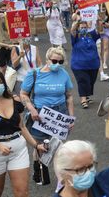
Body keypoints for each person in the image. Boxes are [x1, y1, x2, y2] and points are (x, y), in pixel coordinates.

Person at [0, 69, 47, 197]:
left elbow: (22, 127)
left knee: (22, 192)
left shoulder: (15, 99)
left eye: (1, 82)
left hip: (18, 149)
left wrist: (36, 145)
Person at [20, 46, 74, 185]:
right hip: (40, 114)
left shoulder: (64, 74)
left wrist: (71, 118)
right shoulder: (34, 74)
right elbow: (23, 94)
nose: (57, 65)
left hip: (60, 113)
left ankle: (60, 179)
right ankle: (39, 171)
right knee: (39, 145)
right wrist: (32, 109)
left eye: (60, 62)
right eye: (54, 61)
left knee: (57, 146)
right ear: (47, 59)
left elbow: (69, 96)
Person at [71, 19, 103, 109]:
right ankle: (83, 99)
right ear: (78, 28)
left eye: (85, 27)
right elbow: (72, 30)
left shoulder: (91, 35)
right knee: (82, 81)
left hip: (93, 64)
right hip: (79, 65)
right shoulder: (75, 36)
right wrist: (77, 22)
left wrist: (98, 21)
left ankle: (86, 95)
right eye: (82, 27)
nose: (84, 29)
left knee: (90, 82)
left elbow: (99, 29)